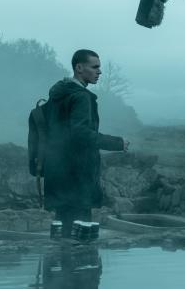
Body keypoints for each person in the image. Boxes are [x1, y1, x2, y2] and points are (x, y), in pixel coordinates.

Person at [43, 49, 128, 237]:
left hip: (57, 168)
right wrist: (117, 142)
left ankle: (58, 261)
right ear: (79, 68)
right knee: (81, 236)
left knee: (61, 230)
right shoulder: (81, 96)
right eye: (95, 67)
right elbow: (81, 134)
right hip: (78, 172)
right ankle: (82, 265)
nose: (99, 72)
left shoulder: (58, 95)